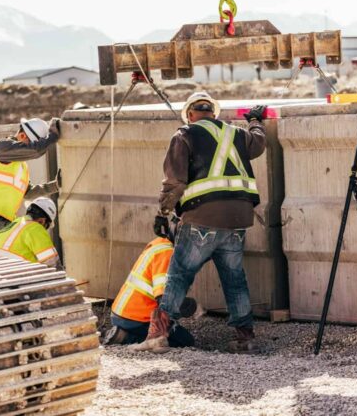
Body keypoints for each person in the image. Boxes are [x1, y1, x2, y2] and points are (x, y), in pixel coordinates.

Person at [135, 92, 267, 354]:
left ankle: (157, 335)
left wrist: (162, 214)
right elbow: (259, 143)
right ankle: (245, 338)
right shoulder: (237, 134)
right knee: (234, 279)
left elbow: (175, 182)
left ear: (190, 114)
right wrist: (254, 120)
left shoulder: (184, 134)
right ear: (213, 114)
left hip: (201, 219)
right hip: (238, 220)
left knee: (179, 275)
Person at [0, 117, 60, 251]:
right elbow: (36, 151)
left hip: (4, 219)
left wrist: (55, 185)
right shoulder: (2, 147)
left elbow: (29, 193)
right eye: (29, 144)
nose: (27, 149)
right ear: (22, 135)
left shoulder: (21, 166)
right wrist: (53, 136)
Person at [105, 232, 196, 349]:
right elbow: (164, 299)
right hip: (135, 318)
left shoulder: (160, 243)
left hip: (122, 313)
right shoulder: (167, 254)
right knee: (185, 341)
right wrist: (190, 306)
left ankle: (124, 333)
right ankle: (125, 337)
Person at [0, 197, 61, 268]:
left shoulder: (15, 223)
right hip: (12, 268)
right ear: (42, 221)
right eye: (46, 226)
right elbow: (52, 262)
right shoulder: (36, 227)